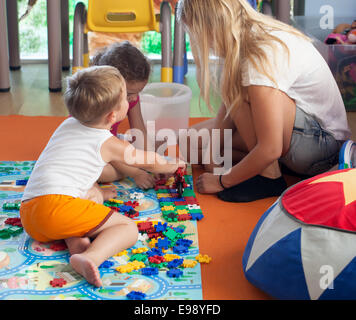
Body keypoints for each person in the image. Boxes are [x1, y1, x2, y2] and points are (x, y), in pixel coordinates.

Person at [20, 66, 185, 287]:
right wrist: (171, 165)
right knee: (128, 228)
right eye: (126, 97)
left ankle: (76, 242)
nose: (130, 101)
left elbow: (70, 177)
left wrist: (100, 193)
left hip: (30, 215)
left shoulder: (66, 125)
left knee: (90, 195)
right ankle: (90, 257)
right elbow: (147, 160)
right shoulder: (106, 142)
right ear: (112, 116)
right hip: (57, 210)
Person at [177, 0, 351, 202]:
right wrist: (213, 151)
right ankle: (265, 165)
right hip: (295, 136)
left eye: (194, 34)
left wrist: (223, 181)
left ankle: (269, 176)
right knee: (189, 143)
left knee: (238, 95)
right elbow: (230, 109)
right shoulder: (244, 37)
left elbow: (271, 147)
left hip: (322, 148)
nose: (197, 42)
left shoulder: (259, 52)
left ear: (208, 27)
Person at [91, 41, 157, 190]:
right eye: (131, 93)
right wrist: (136, 172)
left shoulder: (131, 97)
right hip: (91, 149)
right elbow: (106, 149)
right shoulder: (97, 102)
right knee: (109, 171)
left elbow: (139, 132)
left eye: (139, 92)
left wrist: (151, 163)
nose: (134, 98)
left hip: (110, 144)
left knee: (141, 151)